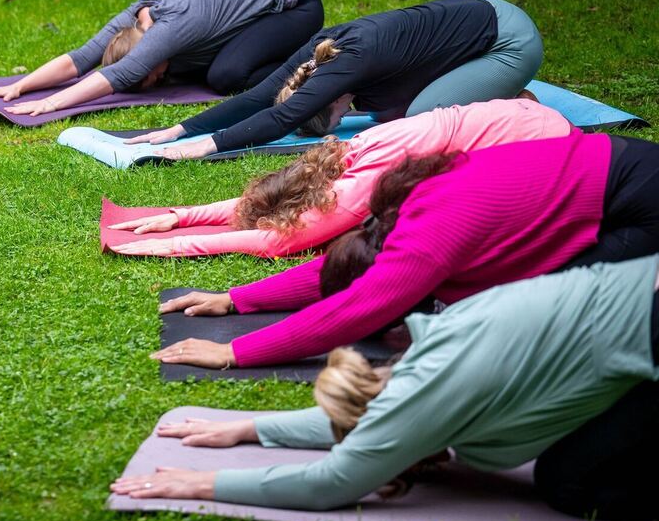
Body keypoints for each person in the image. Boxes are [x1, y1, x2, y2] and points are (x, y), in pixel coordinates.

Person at [111, 254, 659, 521]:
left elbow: (333, 484)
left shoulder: (433, 392)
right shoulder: (430, 346)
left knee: (571, 484)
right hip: (640, 287)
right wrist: (248, 428)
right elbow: (361, 424)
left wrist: (201, 486)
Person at [152, 130, 659, 370]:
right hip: (619, 166)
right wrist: (239, 299)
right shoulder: (393, 216)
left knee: (568, 311)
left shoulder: (422, 246)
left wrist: (235, 350)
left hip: (638, 198)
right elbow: (338, 274)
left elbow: (353, 308)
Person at [108, 97, 572, 257]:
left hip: (553, 151)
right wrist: (182, 215)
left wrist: (179, 242)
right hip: (522, 117)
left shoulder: (362, 184)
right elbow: (268, 217)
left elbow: (281, 242)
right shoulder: (344, 151)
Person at [125, 0, 544, 160]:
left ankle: (513, 98)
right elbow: (260, 97)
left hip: (509, 39)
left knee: (421, 121)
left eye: (336, 119)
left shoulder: (349, 62)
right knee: (389, 115)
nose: (344, 121)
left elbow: (282, 117)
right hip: (481, 15)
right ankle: (492, 85)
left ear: (330, 98)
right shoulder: (320, 54)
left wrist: (199, 149)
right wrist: (181, 128)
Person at [0, 0, 324, 116]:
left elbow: (118, 76)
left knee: (224, 77)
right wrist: (20, 86)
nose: (153, 83)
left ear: (153, 59)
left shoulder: (171, 28)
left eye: (149, 79)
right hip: (256, 10)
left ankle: (308, 60)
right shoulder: (136, 17)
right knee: (201, 68)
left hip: (295, 6)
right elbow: (81, 58)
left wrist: (50, 104)